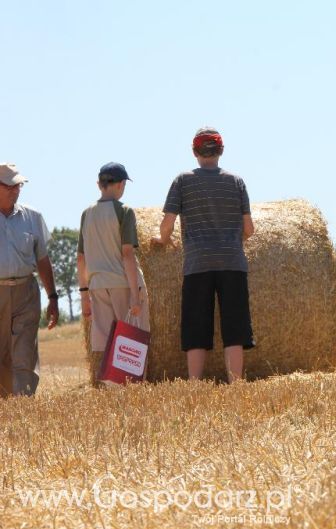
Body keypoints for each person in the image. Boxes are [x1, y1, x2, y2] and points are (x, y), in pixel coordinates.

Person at [152, 128, 255, 382]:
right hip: (232, 262)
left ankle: (195, 385)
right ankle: (236, 383)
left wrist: (161, 240)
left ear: (194, 151)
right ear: (221, 151)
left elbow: (168, 222)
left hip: (197, 263)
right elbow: (249, 229)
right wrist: (229, 241)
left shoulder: (183, 181)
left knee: (196, 325)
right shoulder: (236, 182)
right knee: (234, 327)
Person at [77, 162, 150, 382]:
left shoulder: (86, 214)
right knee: (132, 341)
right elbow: (127, 254)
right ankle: (132, 387)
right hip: (122, 283)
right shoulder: (124, 211)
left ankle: (110, 388)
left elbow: (81, 259)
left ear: (99, 184)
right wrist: (135, 296)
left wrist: (84, 295)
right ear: (120, 185)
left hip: (97, 285)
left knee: (107, 342)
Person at [0, 163, 59, 397]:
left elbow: (43, 260)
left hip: (26, 291)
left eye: (19, 186)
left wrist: (53, 297)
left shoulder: (33, 217)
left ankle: (23, 403)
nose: (16, 190)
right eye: (11, 186)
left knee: (24, 352)